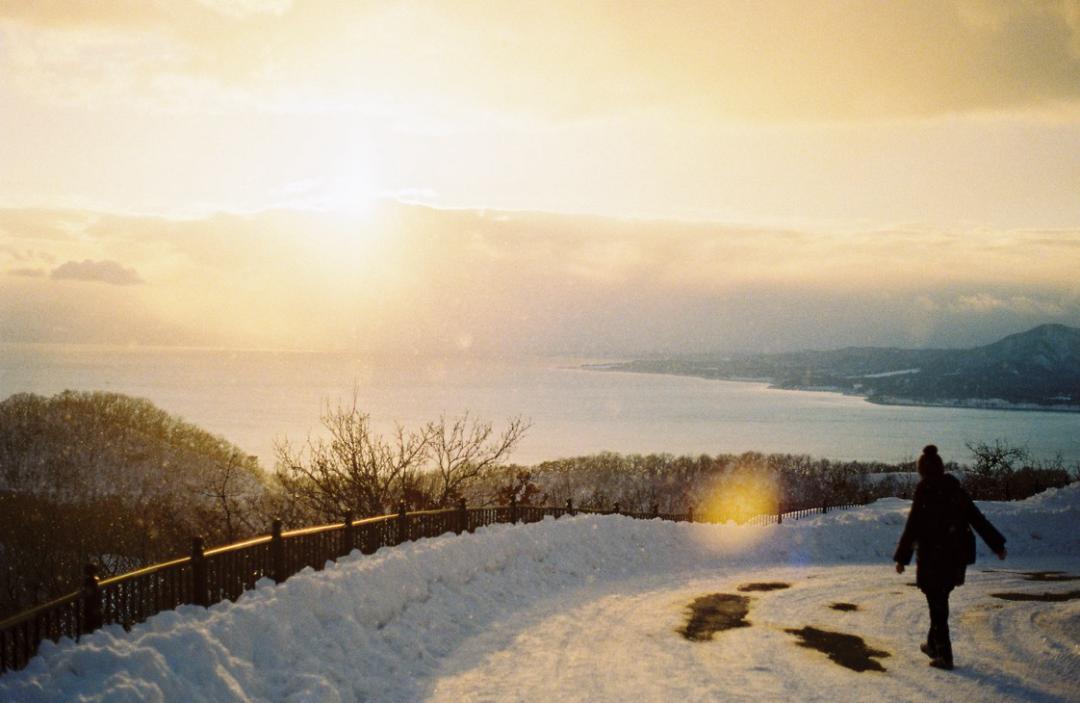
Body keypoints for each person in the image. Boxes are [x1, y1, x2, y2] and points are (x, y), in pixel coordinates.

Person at [893, 444, 1007, 670]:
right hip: (955, 558)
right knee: (939, 600)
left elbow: (913, 525)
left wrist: (902, 558)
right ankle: (933, 645)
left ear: (923, 470)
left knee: (937, 605)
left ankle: (944, 655)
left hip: (932, 558)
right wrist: (997, 545)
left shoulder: (924, 490)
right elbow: (977, 518)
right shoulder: (955, 490)